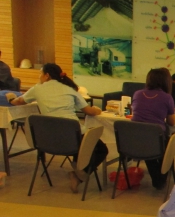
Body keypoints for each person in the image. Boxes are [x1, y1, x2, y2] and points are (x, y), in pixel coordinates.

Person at [8, 63, 107, 193]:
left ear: (47, 75)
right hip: (73, 139)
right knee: (101, 149)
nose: (39, 76)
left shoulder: (37, 89)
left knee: (80, 145)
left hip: (47, 141)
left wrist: (10, 99)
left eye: (40, 74)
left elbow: (19, 101)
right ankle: (79, 174)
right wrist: (98, 110)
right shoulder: (70, 90)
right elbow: (89, 111)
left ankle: (78, 171)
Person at [131, 67, 175, 190]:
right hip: (155, 139)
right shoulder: (167, 97)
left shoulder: (137, 94)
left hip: (133, 140)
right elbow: (172, 122)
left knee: (149, 146)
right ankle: (160, 180)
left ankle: (158, 179)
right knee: (170, 145)